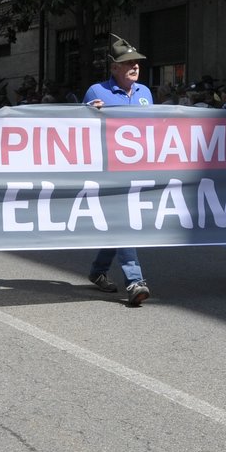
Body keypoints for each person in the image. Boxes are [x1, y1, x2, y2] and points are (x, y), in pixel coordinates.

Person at [84, 35, 153, 306]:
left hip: (138, 169)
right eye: (127, 63)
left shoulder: (145, 93)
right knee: (124, 221)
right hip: (108, 170)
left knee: (118, 223)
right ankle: (135, 280)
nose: (134, 66)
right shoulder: (96, 91)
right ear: (114, 67)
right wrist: (87, 114)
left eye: (136, 62)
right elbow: (76, 128)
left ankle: (98, 271)